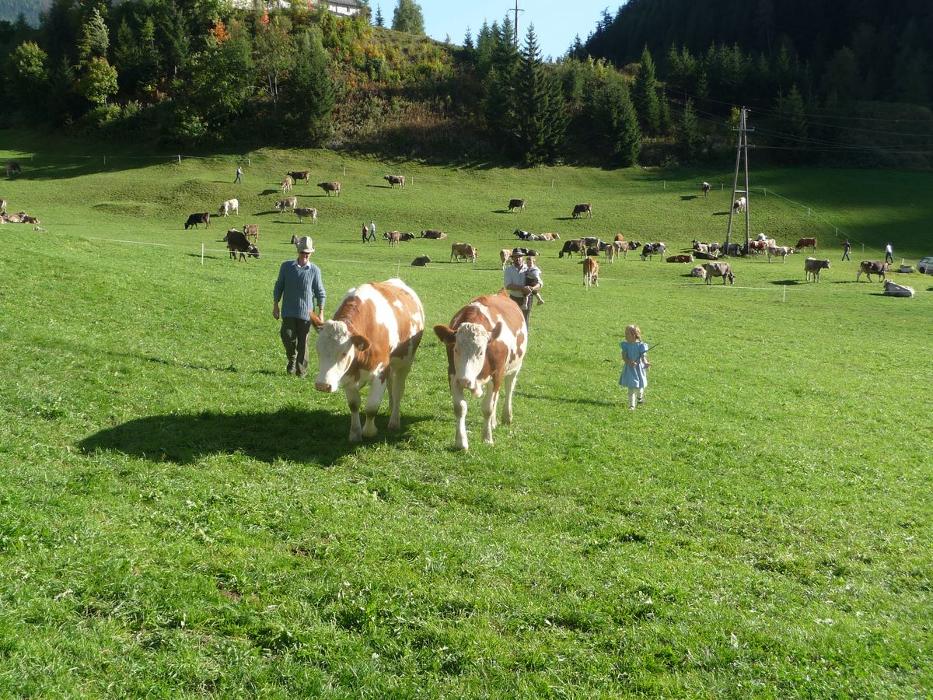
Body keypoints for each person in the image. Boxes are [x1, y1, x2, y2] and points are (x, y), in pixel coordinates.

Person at [273, 236, 325, 377]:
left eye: (307, 253)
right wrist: (275, 305)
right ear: (298, 252)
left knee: (303, 343)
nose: (305, 255)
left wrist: (320, 312)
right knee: (287, 336)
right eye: (303, 252)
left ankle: (301, 371)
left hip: (306, 313)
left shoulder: (315, 270)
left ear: (311, 253)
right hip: (288, 311)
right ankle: (292, 359)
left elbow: (320, 291)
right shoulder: (286, 267)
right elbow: (279, 286)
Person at [504, 248, 541, 326]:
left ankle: (524, 337)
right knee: (513, 320)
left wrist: (532, 288)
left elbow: (540, 283)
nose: (518, 258)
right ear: (512, 258)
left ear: (522, 257)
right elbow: (508, 285)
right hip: (514, 298)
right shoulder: (508, 270)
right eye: (515, 256)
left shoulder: (530, 267)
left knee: (525, 320)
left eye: (520, 256)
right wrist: (522, 288)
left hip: (528, 299)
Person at [619, 324, 650, 411]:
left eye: (627, 334)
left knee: (640, 386)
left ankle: (640, 398)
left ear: (634, 335)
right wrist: (629, 362)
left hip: (639, 369)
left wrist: (646, 363)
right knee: (631, 387)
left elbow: (643, 357)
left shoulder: (641, 345)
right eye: (625, 333)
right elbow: (624, 357)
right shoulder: (625, 345)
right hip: (630, 369)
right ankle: (631, 405)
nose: (625, 336)